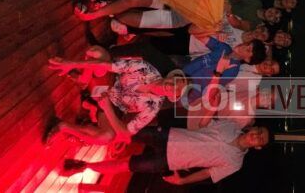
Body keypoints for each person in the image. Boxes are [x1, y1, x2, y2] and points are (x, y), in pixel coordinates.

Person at [44, 48, 187, 145]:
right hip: (109, 81)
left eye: (176, 90)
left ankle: (63, 126)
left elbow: (125, 134)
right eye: (175, 81)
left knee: (106, 137)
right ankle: (84, 80)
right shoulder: (146, 69)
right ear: (170, 76)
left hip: (112, 105)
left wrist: (107, 108)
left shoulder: (153, 107)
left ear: (172, 97)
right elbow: (107, 65)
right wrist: (71, 63)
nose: (172, 86)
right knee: (96, 53)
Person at [63, 122, 271, 184]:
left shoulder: (235, 163)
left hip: (170, 160)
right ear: (253, 128)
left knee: (126, 165)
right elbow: (203, 124)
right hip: (170, 135)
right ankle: (81, 134)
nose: (257, 136)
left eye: (261, 139)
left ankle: (83, 166)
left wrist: (182, 181)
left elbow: (208, 173)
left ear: (258, 147)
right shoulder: (230, 126)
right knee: (123, 133)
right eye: (259, 131)